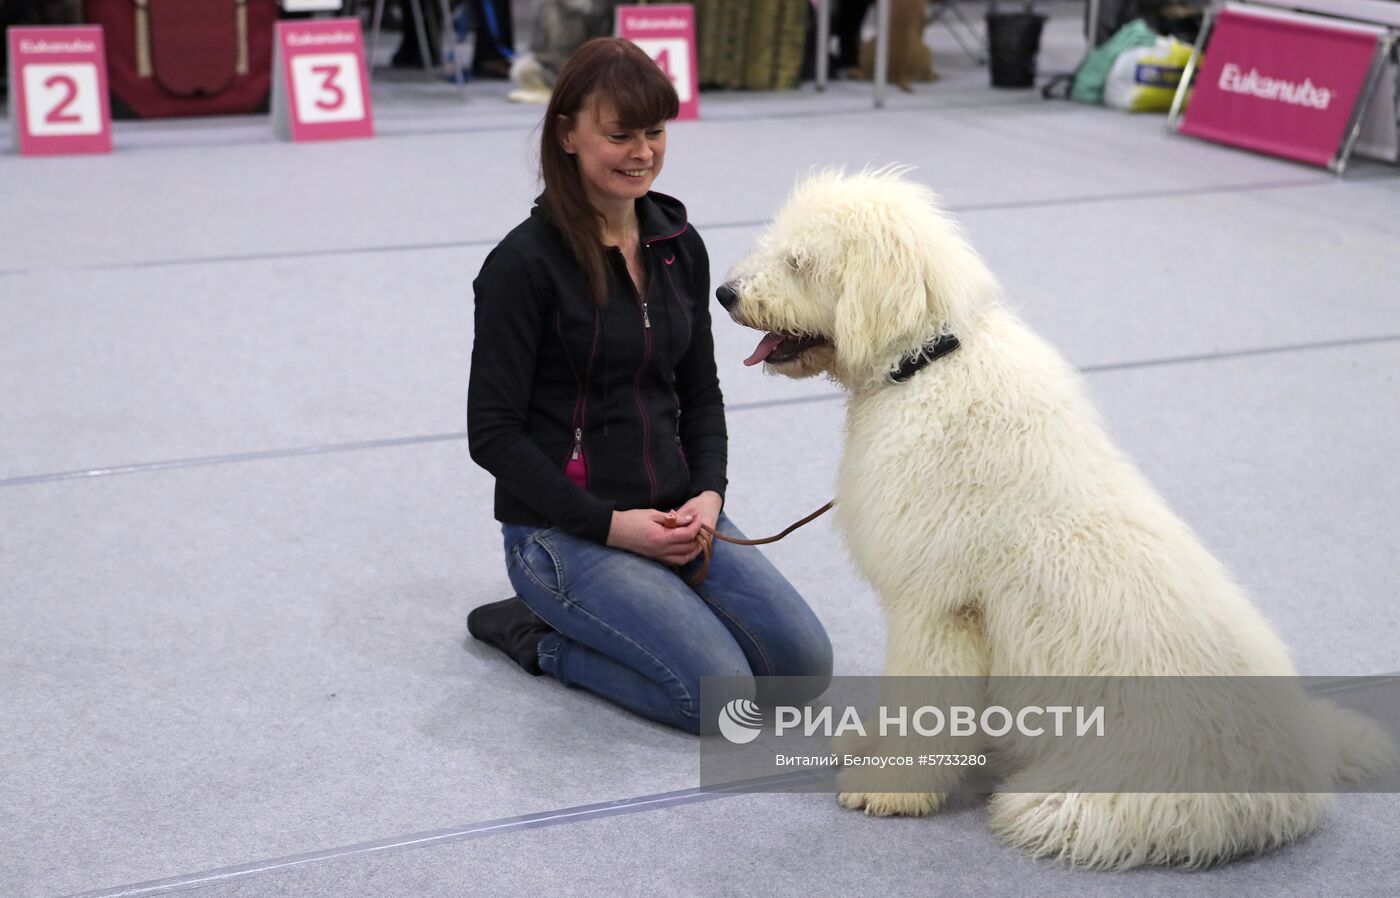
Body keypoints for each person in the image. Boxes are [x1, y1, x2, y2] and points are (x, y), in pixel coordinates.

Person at [466, 37, 833, 735]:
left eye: (654, 132)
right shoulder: (521, 266)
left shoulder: (677, 244)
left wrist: (707, 495)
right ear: (568, 134)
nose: (642, 152)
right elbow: (493, 433)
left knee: (804, 669)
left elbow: (700, 392)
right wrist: (611, 527)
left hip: (675, 512)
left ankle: (643, 596)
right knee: (725, 703)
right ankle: (539, 637)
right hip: (563, 531)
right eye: (619, 134)